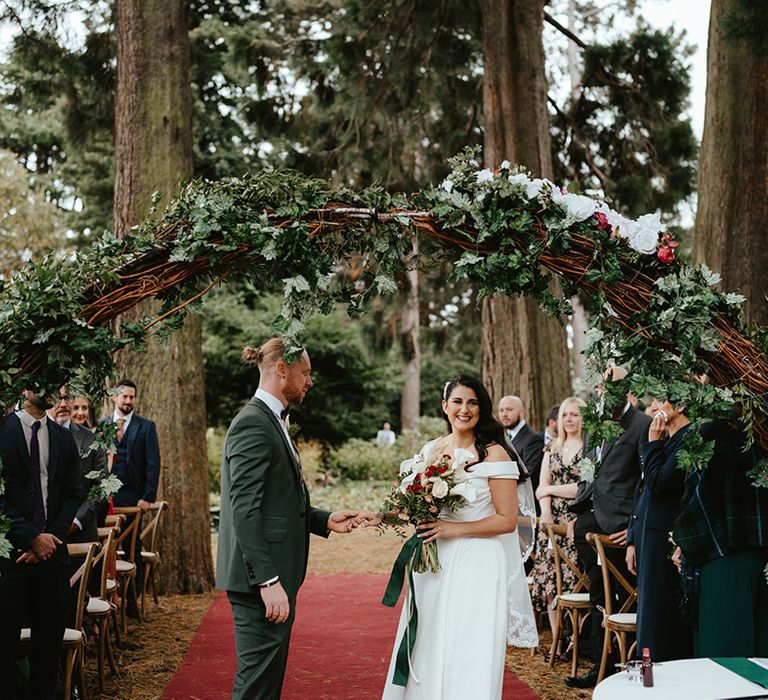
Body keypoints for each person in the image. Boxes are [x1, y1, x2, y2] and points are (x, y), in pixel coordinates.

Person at [216, 338, 379, 700]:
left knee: (266, 683)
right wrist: (268, 581)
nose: (310, 381)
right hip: (260, 581)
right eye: (305, 373)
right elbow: (244, 508)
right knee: (256, 686)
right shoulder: (253, 424)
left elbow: (276, 499)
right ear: (281, 369)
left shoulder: (270, 419)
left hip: (271, 578)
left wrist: (323, 520)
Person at [382, 376, 538, 700]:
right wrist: (388, 514)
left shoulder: (496, 455)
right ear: (445, 406)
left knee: (469, 646)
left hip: (478, 562)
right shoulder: (432, 450)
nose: (464, 409)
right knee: (429, 639)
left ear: (482, 409)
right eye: (457, 402)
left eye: (472, 403)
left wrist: (452, 529)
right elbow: (416, 503)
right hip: (435, 562)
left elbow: (507, 520)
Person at [566, 367, 651, 689]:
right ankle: (600, 668)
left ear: (628, 390)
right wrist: (580, 508)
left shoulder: (642, 424)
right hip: (588, 522)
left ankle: (635, 668)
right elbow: (591, 471)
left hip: (620, 526)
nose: (607, 394)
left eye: (614, 388)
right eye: (603, 388)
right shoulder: (596, 422)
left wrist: (632, 527)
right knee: (599, 596)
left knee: (630, 598)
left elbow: (646, 481)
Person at [0, 389, 82, 700]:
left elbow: (74, 491)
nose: (54, 391)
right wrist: (32, 538)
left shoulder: (62, 438)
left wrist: (49, 538)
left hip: (52, 561)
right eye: (43, 383)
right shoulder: (3, 431)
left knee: (48, 655)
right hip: (11, 560)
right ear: (24, 389)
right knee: (4, 652)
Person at [673, 417, 768, 657]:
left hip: (721, 554)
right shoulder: (761, 427)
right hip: (761, 552)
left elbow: (699, 496)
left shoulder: (712, 431)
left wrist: (685, 542)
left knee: (724, 658)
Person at [625, 396, 691, 661]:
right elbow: (640, 490)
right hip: (644, 535)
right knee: (648, 611)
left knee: (658, 615)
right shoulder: (664, 438)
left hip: (665, 538)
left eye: (659, 400)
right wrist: (632, 538)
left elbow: (659, 484)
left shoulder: (688, 441)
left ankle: (655, 672)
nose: (652, 408)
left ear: (681, 404)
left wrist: (653, 444)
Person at [530, 396, 586, 647]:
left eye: (574, 414)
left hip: (576, 519)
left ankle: (576, 637)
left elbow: (583, 489)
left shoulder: (590, 449)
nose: (569, 419)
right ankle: (556, 637)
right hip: (551, 523)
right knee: (550, 581)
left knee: (573, 580)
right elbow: (541, 486)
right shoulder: (551, 448)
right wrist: (547, 514)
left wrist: (551, 491)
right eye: (565, 415)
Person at [102, 378, 161, 611]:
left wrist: (147, 497)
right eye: (124, 396)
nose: (128, 400)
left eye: (131, 396)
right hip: (106, 500)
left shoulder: (146, 426)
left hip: (133, 499)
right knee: (105, 548)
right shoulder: (102, 425)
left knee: (132, 546)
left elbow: (153, 464)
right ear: (114, 397)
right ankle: (107, 597)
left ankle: (131, 600)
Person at [48, 386, 109, 544]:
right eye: (57, 398)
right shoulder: (32, 437)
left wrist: (77, 521)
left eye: (66, 398)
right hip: (39, 539)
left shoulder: (93, 439)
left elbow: (102, 487)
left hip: (80, 537)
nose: (62, 404)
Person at [498, 395, 545, 494]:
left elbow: (529, 476)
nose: (504, 414)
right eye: (501, 410)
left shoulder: (533, 439)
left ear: (521, 412)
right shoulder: (502, 437)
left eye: (509, 409)